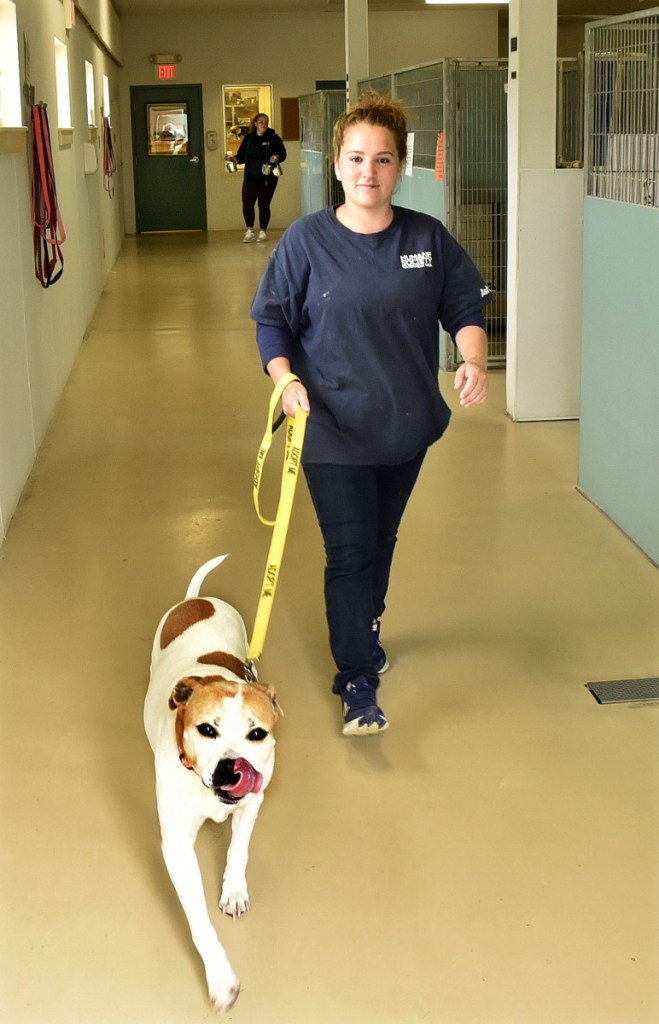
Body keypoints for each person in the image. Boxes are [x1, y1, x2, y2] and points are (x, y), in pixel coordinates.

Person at [249, 93, 491, 737]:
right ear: (336, 162)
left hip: (404, 426)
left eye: (382, 159)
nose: (368, 172)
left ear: (400, 165)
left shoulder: (425, 238)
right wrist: (286, 380)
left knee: (380, 543)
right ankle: (357, 678)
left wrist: (473, 359)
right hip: (329, 426)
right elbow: (272, 322)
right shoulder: (306, 241)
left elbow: (464, 305)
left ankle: (366, 623)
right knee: (350, 550)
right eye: (356, 158)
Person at [231, 113, 286, 243]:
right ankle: (249, 230)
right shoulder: (249, 138)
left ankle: (263, 230)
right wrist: (233, 159)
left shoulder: (273, 138)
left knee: (264, 204)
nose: (264, 124)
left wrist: (276, 157)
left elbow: (283, 154)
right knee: (247, 203)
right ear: (255, 123)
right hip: (250, 177)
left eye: (266, 122)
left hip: (267, 179)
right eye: (261, 122)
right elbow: (241, 156)